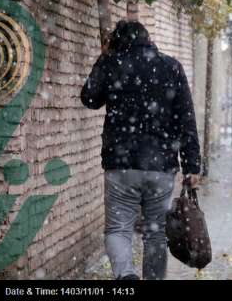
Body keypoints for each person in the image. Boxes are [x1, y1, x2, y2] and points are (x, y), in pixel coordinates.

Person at [80, 20, 201, 280]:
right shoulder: (171, 67)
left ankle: (126, 277)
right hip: (161, 166)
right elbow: (186, 119)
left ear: (117, 42)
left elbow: (89, 98)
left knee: (118, 229)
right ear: (148, 39)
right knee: (155, 232)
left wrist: (103, 58)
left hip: (120, 164)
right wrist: (192, 166)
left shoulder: (113, 64)